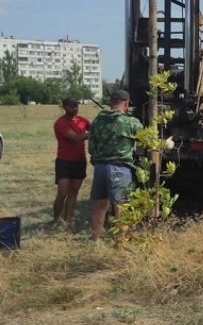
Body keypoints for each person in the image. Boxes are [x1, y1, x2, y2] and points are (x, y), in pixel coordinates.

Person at [88, 89, 143, 241]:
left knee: (101, 206)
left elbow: (91, 149)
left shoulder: (97, 121)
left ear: (111, 103)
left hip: (100, 168)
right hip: (119, 168)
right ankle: (120, 243)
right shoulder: (131, 122)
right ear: (126, 104)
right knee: (122, 207)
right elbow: (146, 142)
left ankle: (94, 241)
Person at [52, 96, 91, 227]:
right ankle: (56, 218)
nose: (74, 108)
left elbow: (93, 127)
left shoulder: (82, 120)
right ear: (65, 107)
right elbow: (76, 138)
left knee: (74, 191)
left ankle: (67, 220)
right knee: (62, 193)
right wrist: (95, 133)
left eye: (76, 105)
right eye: (71, 106)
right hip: (64, 161)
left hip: (80, 160)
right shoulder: (60, 123)